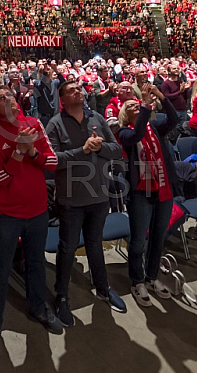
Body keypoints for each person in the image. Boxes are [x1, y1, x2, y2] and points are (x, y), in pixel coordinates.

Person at [0, 84, 61, 360]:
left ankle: (38, 308)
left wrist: (32, 152)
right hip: (5, 214)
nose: (9, 99)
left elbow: (52, 163)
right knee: (0, 271)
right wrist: (18, 152)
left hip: (37, 211)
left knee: (36, 263)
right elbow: (0, 179)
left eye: (11, 95)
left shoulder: (34, 123)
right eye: (1, 98)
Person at [46, 80, 125, 326]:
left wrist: (98, 148)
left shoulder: (98, 119)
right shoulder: (55, 124)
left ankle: (102, 287)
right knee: (68, 249)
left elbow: (116, 150)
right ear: (62, 98)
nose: (78, 91)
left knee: (95, 244)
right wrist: (83, 149)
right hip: (71, 199)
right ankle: (62, 296)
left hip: (99, 196)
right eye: (71, 90)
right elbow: (53, 161)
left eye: (79, 88)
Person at [117, 83, 178, 306]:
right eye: (131, 105)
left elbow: (174, 120)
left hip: (163, 188)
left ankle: (152, 276)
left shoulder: (156, 128)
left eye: (138, 105)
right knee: (138, 242)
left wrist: (162, 97)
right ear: (125, 114)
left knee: (158, 237)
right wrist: (143, 103)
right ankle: (137, 280)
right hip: (141, 192)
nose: (136, 106)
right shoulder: (124, 132)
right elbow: (138, 132)